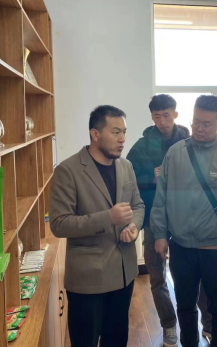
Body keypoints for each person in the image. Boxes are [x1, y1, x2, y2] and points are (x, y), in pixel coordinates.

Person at [128, 95, 217, 346]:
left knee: (200, 278)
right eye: (157, 116)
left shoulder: (189, 139)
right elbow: (131, 181)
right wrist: (151, 177)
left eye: (166, 115)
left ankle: (210, 324)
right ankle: (169, 325)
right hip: (156, 217)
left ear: (176, 114)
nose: (162, 121)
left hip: (193, 220)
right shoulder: (142, 147)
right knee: (158, 275)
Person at [151, 95, 217, 347]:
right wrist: (160, 234)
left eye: (207, 124)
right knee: (185, 304)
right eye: (196, 121)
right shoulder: (175, 153)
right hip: (181, 246)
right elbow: (161, 197)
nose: (199, 128)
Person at [50, 106, 145, 347]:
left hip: (123, 274)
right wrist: (108, 218)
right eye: (116, 132)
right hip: (88, 279)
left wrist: (134, 226)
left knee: (117, 339)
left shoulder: (126, 166)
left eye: (124, 132)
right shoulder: (68, 170)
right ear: (95, 134)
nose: (122, 139)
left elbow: (138, 205)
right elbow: (59, 224)